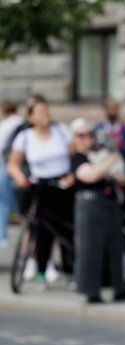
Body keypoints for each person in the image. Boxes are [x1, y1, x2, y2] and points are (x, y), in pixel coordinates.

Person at [7, 98, 76, 289]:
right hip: (40, 186)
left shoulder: (61, 131)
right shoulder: (26, 137)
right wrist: (21, 178)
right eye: (40, 112)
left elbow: (75, 155)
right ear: (31, 117)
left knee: (66, 229)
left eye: (47, 110)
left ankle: (70, 271)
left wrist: (72, 175)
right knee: (42, 232)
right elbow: (13, 164)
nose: (45, 114)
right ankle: (41, 272)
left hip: (63, 185)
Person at [70, 118, 125, 304]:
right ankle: (92, 292)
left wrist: (109, 167)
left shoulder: (99, 153)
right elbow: (90, 175)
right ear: (75, 138)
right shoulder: (77, 158)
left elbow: (122, 177)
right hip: (89, 207)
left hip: (110, 205)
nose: (87, 138)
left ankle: (119, 288)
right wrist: (110, 161)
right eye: (82, 135)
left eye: (89, 134)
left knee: (116, 248)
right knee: (91, 250)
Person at [94, 97, 125, 212]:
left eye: (115, 108)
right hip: (104, 172)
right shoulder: (98, 128)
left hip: (121, 171)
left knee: (122, 206)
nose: (113, 110)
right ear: (105, 110)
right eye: (110, 108)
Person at [0, 101, 24, 247]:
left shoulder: (7, 124)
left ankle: (2, 236)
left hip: (7, 164)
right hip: (20, 165)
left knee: (3, 200)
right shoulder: (22, 123)